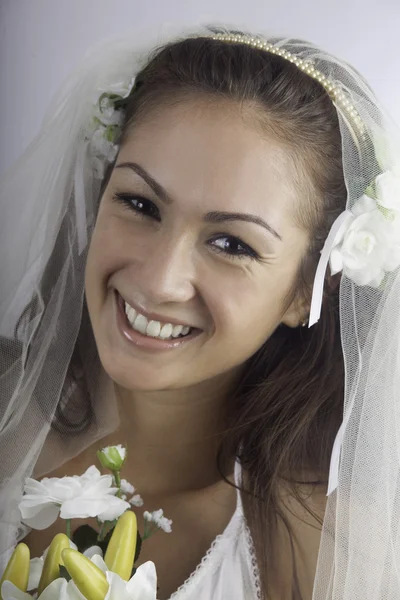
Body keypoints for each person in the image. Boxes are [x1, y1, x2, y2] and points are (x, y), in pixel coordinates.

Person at [1, 26, 400, 600]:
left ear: (307, 289)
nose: (159, 281)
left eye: (232, 244)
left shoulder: (331, 561)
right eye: (140, 204)